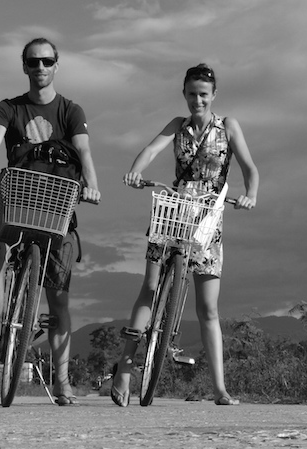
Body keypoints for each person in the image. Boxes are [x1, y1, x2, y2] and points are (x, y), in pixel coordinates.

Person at [111, 63, 259, 407]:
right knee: (148, 288)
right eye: (192, 94)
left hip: (209, 219)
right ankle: (125, 368)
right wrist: (135, 171)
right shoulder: (177, 126)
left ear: (214, 95)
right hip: (173, 212)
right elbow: (150, 150)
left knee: (208, 307)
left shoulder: (228, 127)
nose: (197, 101)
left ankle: (219, 389)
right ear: (184, 94)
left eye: (203, 95)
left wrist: (251, 193)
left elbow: (250, 167)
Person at [0, 38, 101, 406]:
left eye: (46, 61)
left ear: (57, 65)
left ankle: (62, 381)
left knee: (58, 299)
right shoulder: (9, 108)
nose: (40, 67)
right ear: (24, 67)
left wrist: (92, 185)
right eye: (33, 62)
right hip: (18, 200)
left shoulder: (70, 110)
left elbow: (85, 150)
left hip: (57, 207)